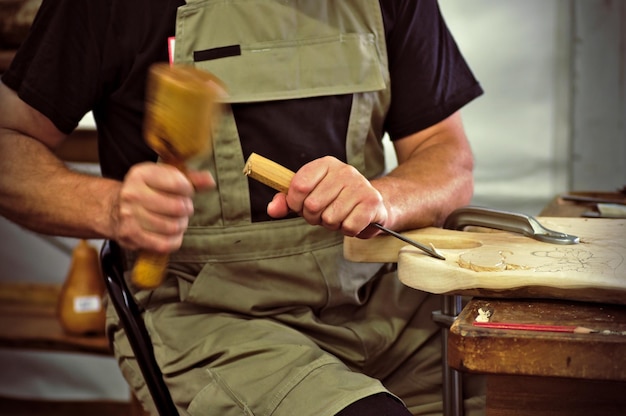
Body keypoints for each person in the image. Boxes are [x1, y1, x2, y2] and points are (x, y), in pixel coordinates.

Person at [0, 0, 485, 415]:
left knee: (524, 389)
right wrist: (112, 208)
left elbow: (448, 155)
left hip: (383, 301)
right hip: (215, 317)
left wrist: (385, 199)